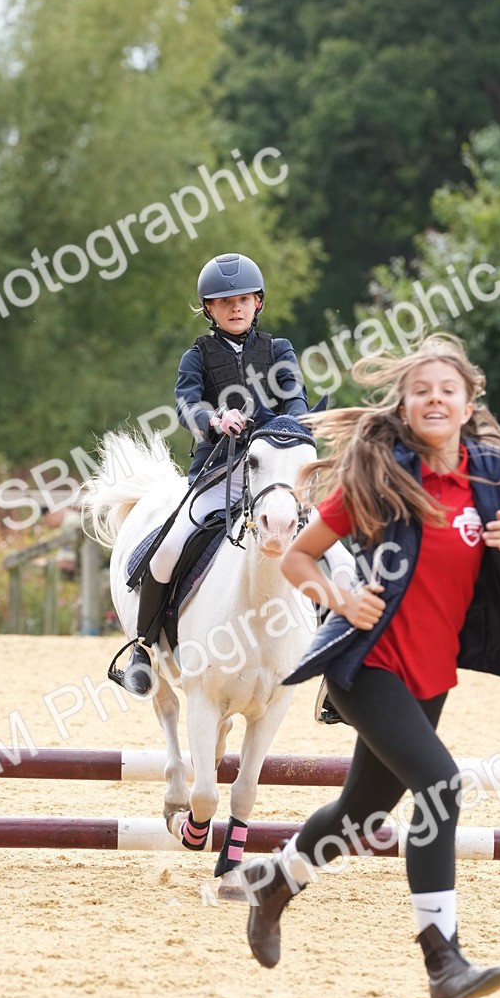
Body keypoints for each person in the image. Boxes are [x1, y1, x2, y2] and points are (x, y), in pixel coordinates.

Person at [240, 332, 500, 998]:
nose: (435, 399)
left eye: (448, 389)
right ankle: (444, 962)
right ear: (405, 407)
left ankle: (276, 881)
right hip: (367, 665)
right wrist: (339, 598)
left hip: (430, 675)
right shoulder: (380, 481)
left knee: (362, 814)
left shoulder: (489, 482)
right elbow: (298, 558)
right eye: (422, 391)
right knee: (440, 786)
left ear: (470, 400)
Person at [120, 251, 349, 696]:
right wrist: (214, 418)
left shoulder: (279, 350)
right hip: (218, 473)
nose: (236, 308)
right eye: (225, 302)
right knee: (168, 550)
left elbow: (295, 398)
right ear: (209, 308)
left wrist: (291, 424)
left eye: (243, 300)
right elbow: (186, 404)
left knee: (338, 557)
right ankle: (143, 649)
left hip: (275, 475)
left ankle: (336, 664)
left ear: (258, 302)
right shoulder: (196, 356)